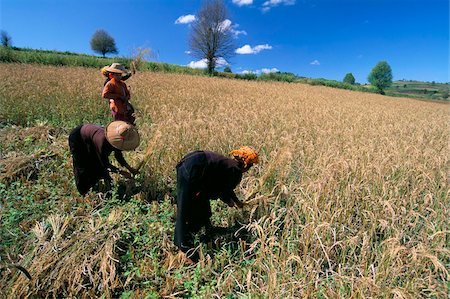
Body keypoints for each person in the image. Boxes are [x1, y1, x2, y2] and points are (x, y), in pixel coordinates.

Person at [174, 146, 259, 262]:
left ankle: (200, 231)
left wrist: (237, 201)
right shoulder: (235, 171)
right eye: (250, 166)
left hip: (190, 163)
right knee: (185, 207)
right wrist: (229, 201)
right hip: (193, 168)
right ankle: (184, 246)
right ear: (245, 165)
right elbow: (222, 190)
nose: (249, 169)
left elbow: (225, 187)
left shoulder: (230, 165)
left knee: (199, 203)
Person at [68, 121, 140, 195]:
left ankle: (97, 184)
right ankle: (84, 192)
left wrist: (129, 168)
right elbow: (104, 164)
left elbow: (118, 155)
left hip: (90, 137)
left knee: (95, 164)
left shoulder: (117, 141)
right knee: (83, 165)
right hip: (77, 137)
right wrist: (121, 172)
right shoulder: (102, 143)